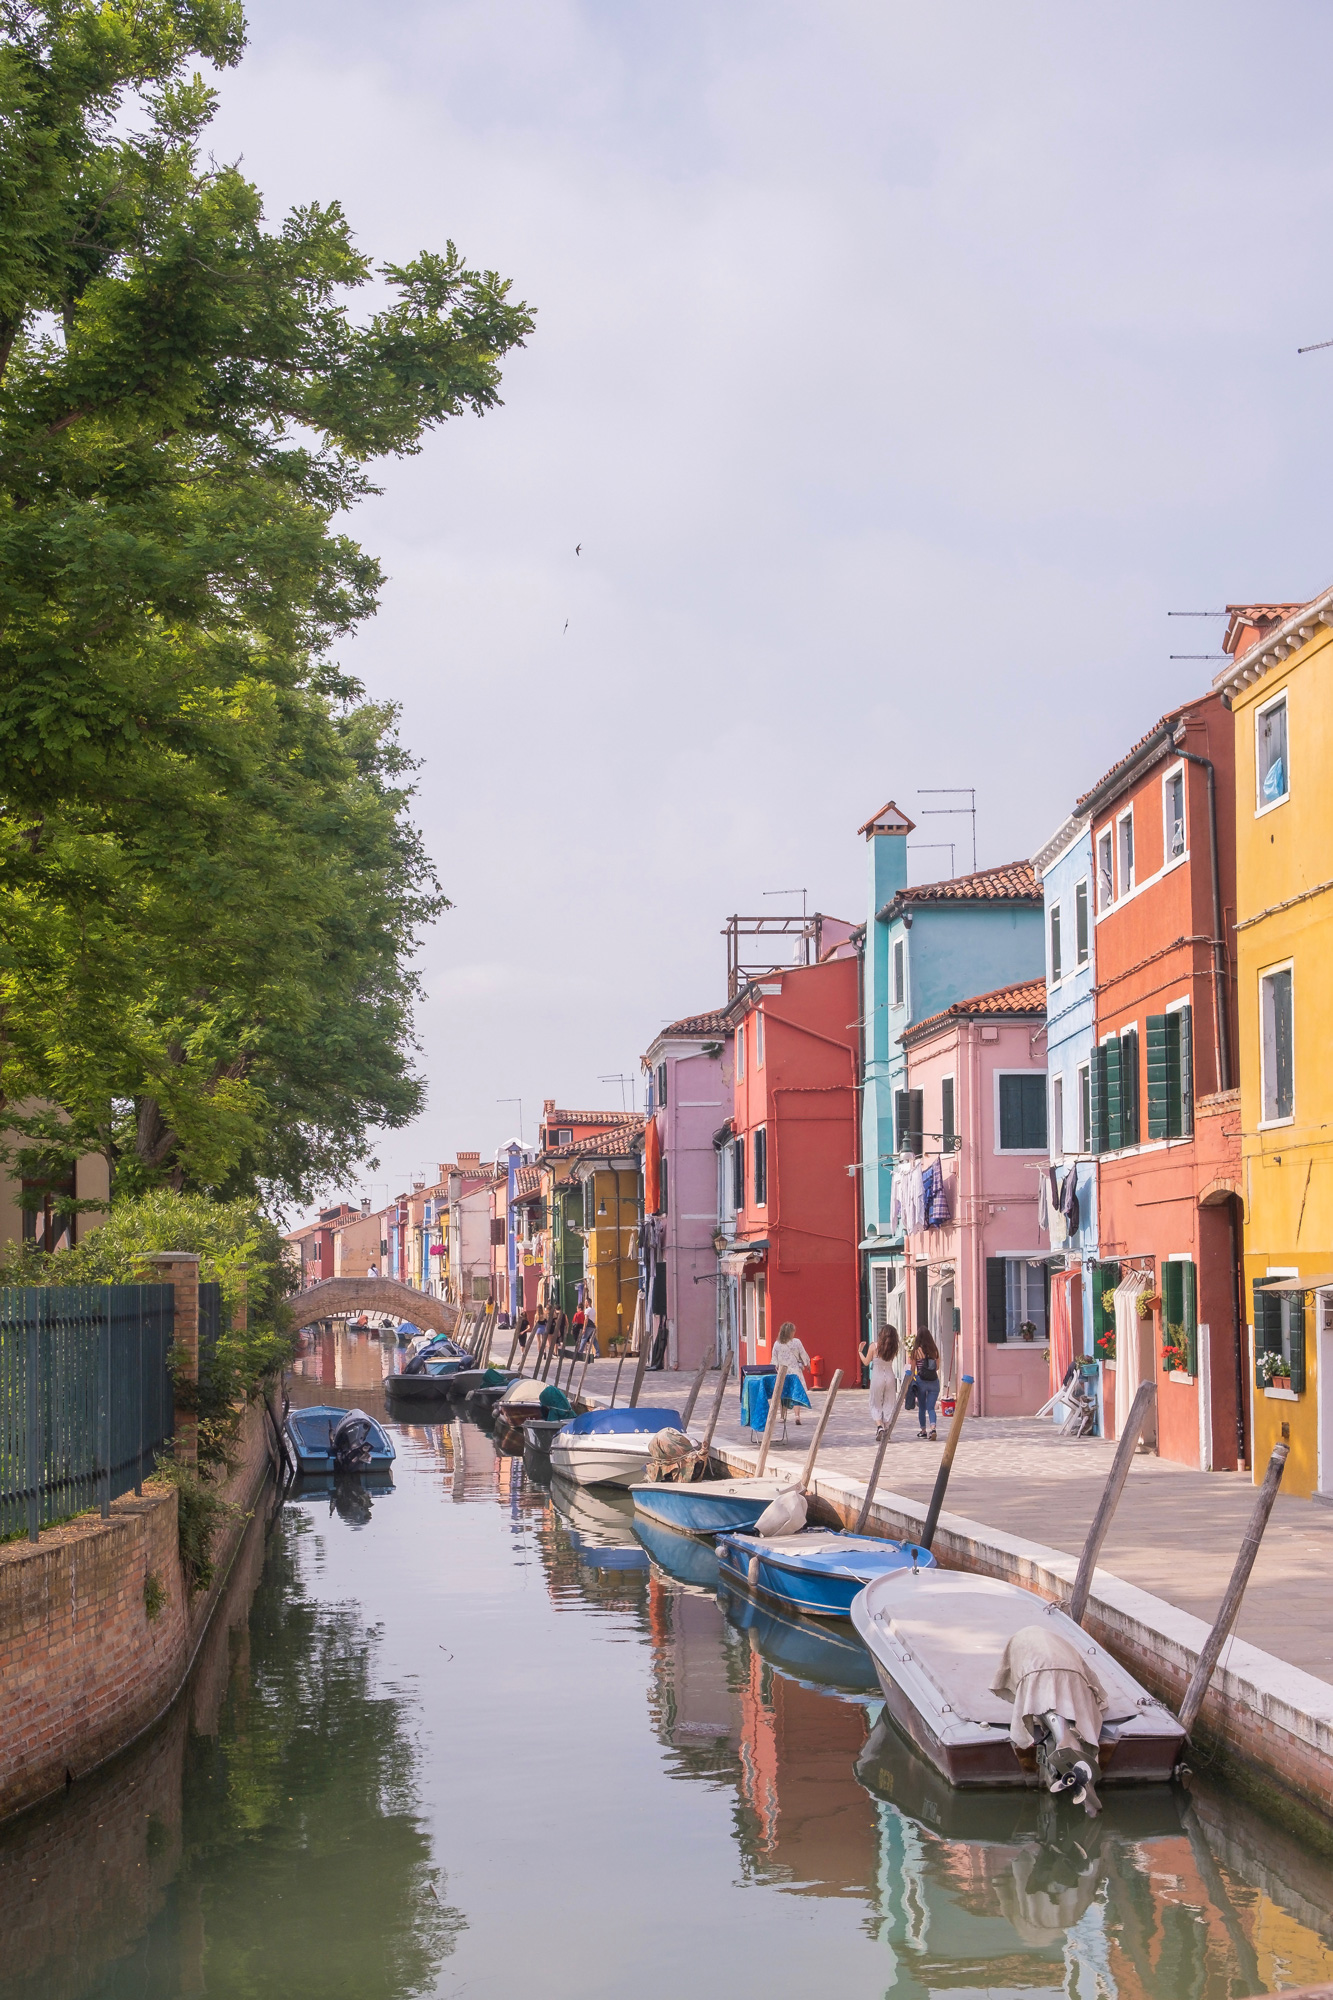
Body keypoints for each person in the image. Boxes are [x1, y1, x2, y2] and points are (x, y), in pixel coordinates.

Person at [770, 1320, 810, 1424]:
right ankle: (797, 1416)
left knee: (783, 1394)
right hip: (795, 1372)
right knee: (796, 1394)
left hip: (782, 1373)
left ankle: (782, 1417)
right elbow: (803, 1354)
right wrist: (807, 1364)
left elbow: (774, 1359)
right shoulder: (796, 1342)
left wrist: (774, 1368)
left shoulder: (777, 1344)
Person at [868, 1325, 900, 1438]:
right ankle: (886, 1428)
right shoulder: (893, 1348)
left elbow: (866, 1362)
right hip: (890, 1376)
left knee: (875, 1403)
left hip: (877, 1377)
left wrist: (859, 1352)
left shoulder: (874, 1346)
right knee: (889, 1403)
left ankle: (879, 1426)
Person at [910, 1327, 941, 1440]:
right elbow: (937, 1367)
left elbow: (913, 1369)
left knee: (922, 1407)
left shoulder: (916, 1351)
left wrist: (912, 1380)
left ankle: (923, 1430)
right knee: (931, 1408)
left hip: (921, 1382)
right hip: (934, 1382)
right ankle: (933, 1428)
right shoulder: (934, 1350)